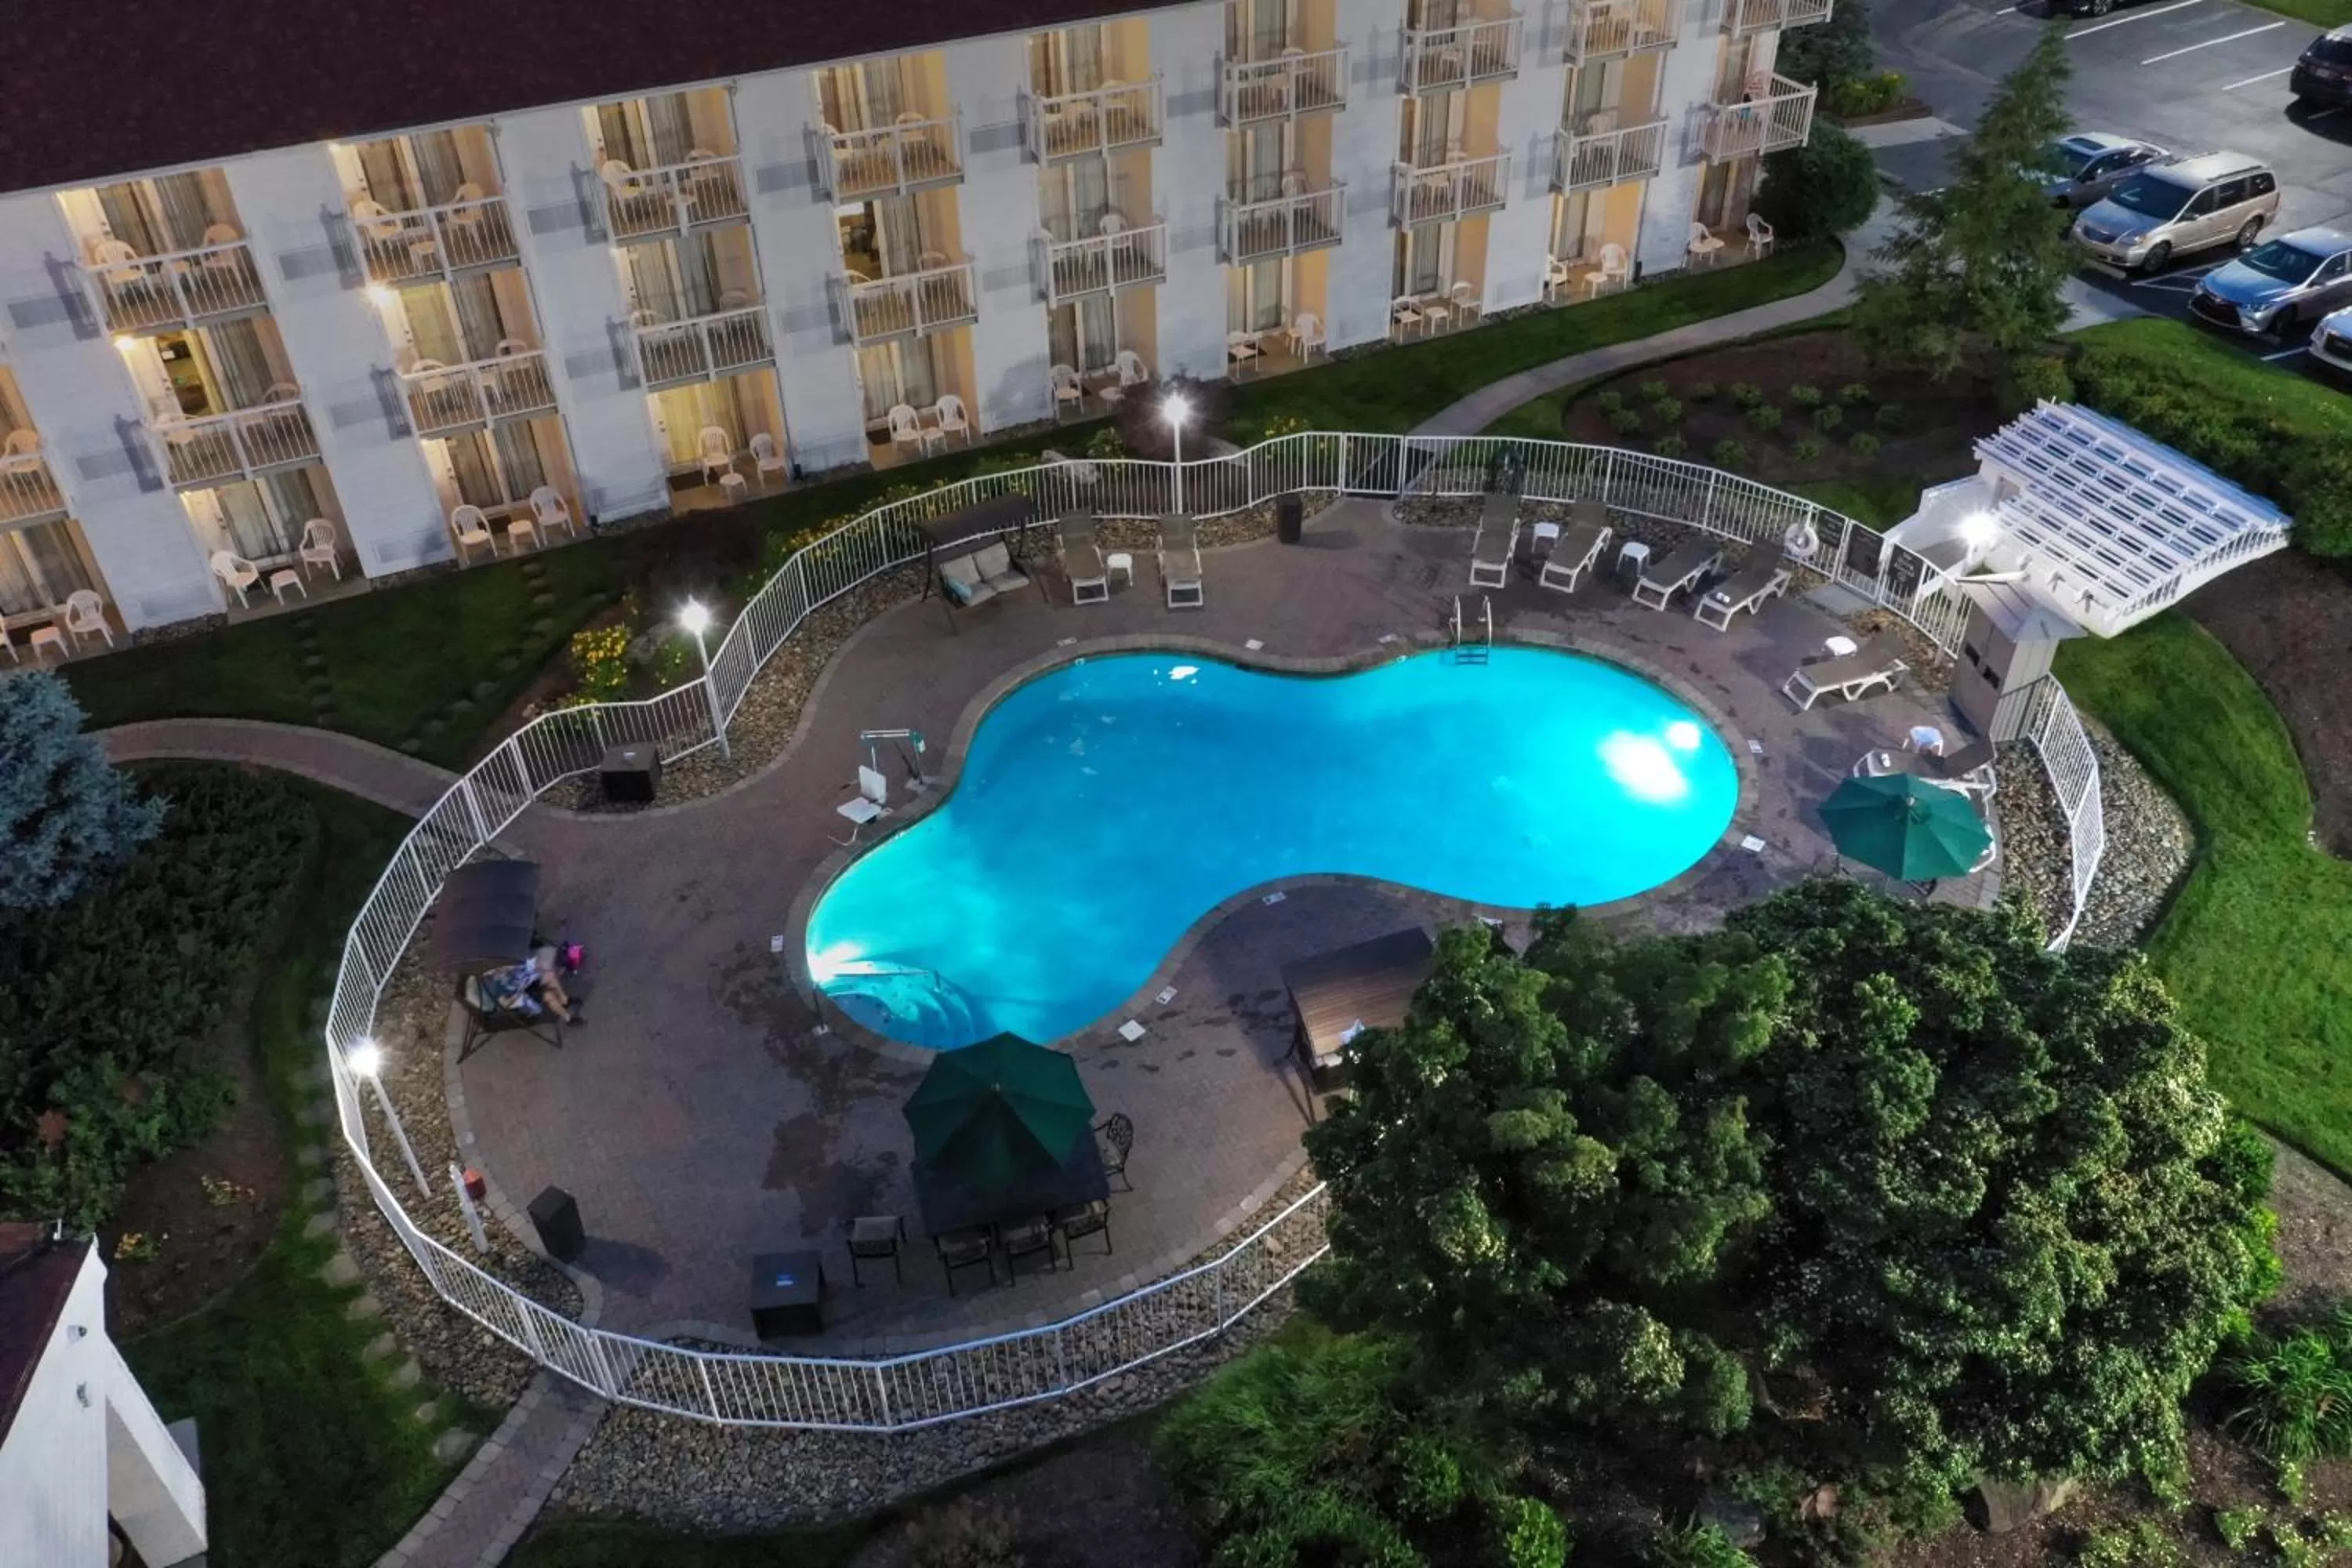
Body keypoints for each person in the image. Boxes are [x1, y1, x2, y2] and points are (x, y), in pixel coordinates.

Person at [479, 950, 583, 1025]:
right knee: (549, 996)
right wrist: (519, 991)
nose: (498, 969)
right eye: (494, 970)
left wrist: (516, 968)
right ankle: (568, 1019)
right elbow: (504, 1005)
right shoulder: (498, 986)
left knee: (550, 976)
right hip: (523, 995)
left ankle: (565, 1000)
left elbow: (518, 968)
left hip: (527, 983)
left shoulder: (504, 969)